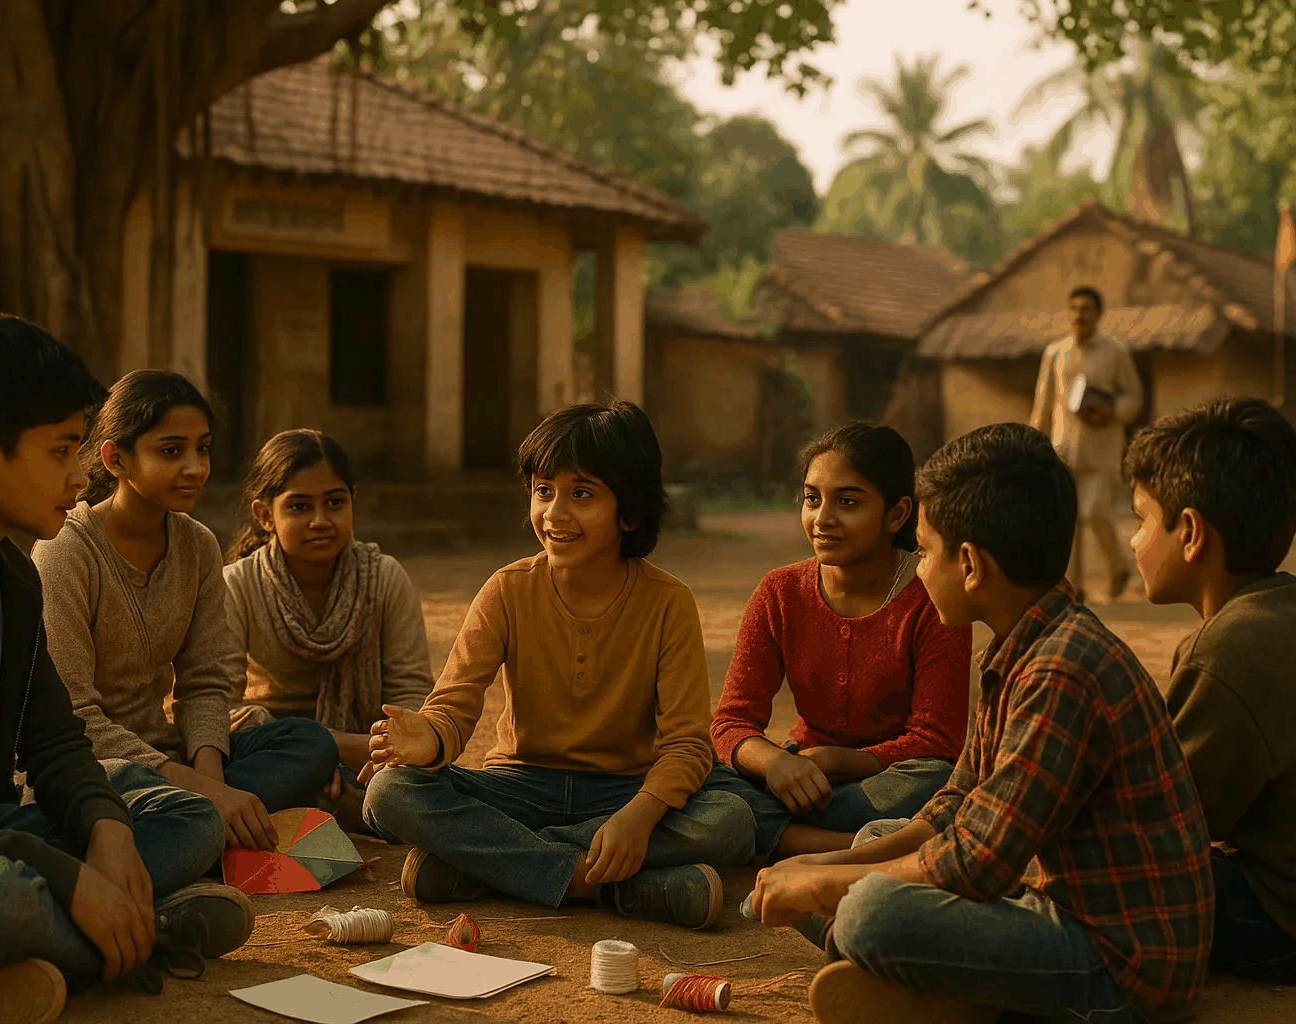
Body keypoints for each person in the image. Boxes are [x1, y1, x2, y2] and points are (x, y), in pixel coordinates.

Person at [0, 315, 253, 1024]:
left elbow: (56, 740)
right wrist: (66, 875)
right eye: (63, 449)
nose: (81, 473)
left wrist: (106, 832)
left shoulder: (10, 573)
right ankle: (144, 931)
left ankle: (12, 954)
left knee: (183, 816)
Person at [749, 423, 1214, 1024]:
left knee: (871, 912)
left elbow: (975, 861)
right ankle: (951, 994)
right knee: (868, 850)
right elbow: (953, 808)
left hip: (1119, 965)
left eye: (924, 551)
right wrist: (822, 866)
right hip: (1050, 904)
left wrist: (821, 888)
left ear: (968, 564)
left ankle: (962, 999)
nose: (917, 570)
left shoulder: (1061, 670)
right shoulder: (1023, 644)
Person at [361, 401, 754, 929]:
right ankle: (603, 887)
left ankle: (486, 867)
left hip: (623, 789)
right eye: (543, 491)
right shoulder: (507, 588)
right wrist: (426, 740)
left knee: (729, 820)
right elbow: (453, 706)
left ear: (630, 511)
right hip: (520, 787)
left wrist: (638, 817)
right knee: (390, 792)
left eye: (582, 494)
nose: (555, 513)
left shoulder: (668, 601)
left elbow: (686, 743)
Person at [34, 371, 340, 852]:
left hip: (171, 755)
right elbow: (71, 717)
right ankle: (186, 841)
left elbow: (204, 683)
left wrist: (211, 781)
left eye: (204, 448)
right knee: (188, 818)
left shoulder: (197, 545)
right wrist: (204, 793)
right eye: (171, 451)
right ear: (116, 459)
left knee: (308, 743)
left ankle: (196, 832)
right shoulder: (65, 552)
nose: (196, 467)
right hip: (96, 764)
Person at [1126, 397, 1296, 985]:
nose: (1133, 541)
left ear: (1189, 533)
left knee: (1098, 871)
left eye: (1139, 518)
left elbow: (1154, 831)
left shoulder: (1230, 649)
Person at [703, 422, 971, 859]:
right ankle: (868, 845)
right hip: (802, 775)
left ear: (897, 514)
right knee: (706, 777)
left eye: (847, 502)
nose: (822, 519)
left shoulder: (931, 596)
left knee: (938, 780)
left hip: (891, 776)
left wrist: (845, 761)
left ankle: (781, 838)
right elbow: (731, 723)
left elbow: (936, 739)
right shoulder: (780, 592)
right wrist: (776, 764)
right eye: (812, 498)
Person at [223, 429, 434, 833]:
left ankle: (344, 804)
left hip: (368, 754)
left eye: (335, 503)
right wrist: (316, 749)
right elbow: (217, 705)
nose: (320, 521)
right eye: (299, 506)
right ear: (265, 515)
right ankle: (345, 807)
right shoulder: (237, 586)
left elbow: (410, 696)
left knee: (422, 778)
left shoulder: (384, 579)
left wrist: (375, 748)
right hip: (272, 750)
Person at [1030, 285, 1144, 604]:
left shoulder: (1115, 353)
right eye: (1075, 308)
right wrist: (1033, 441)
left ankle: (1120, 566)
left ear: (1098, 315)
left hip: (1102, 448)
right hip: (1062, 448)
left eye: (1087, 309)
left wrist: (1111, 412)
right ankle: (1074, 587)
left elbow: (1134, 397)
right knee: (1069, 520)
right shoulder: (1055, 353)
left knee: (1094, 511)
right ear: (1068, 312)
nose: (1080, 314)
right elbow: (1043, 403)